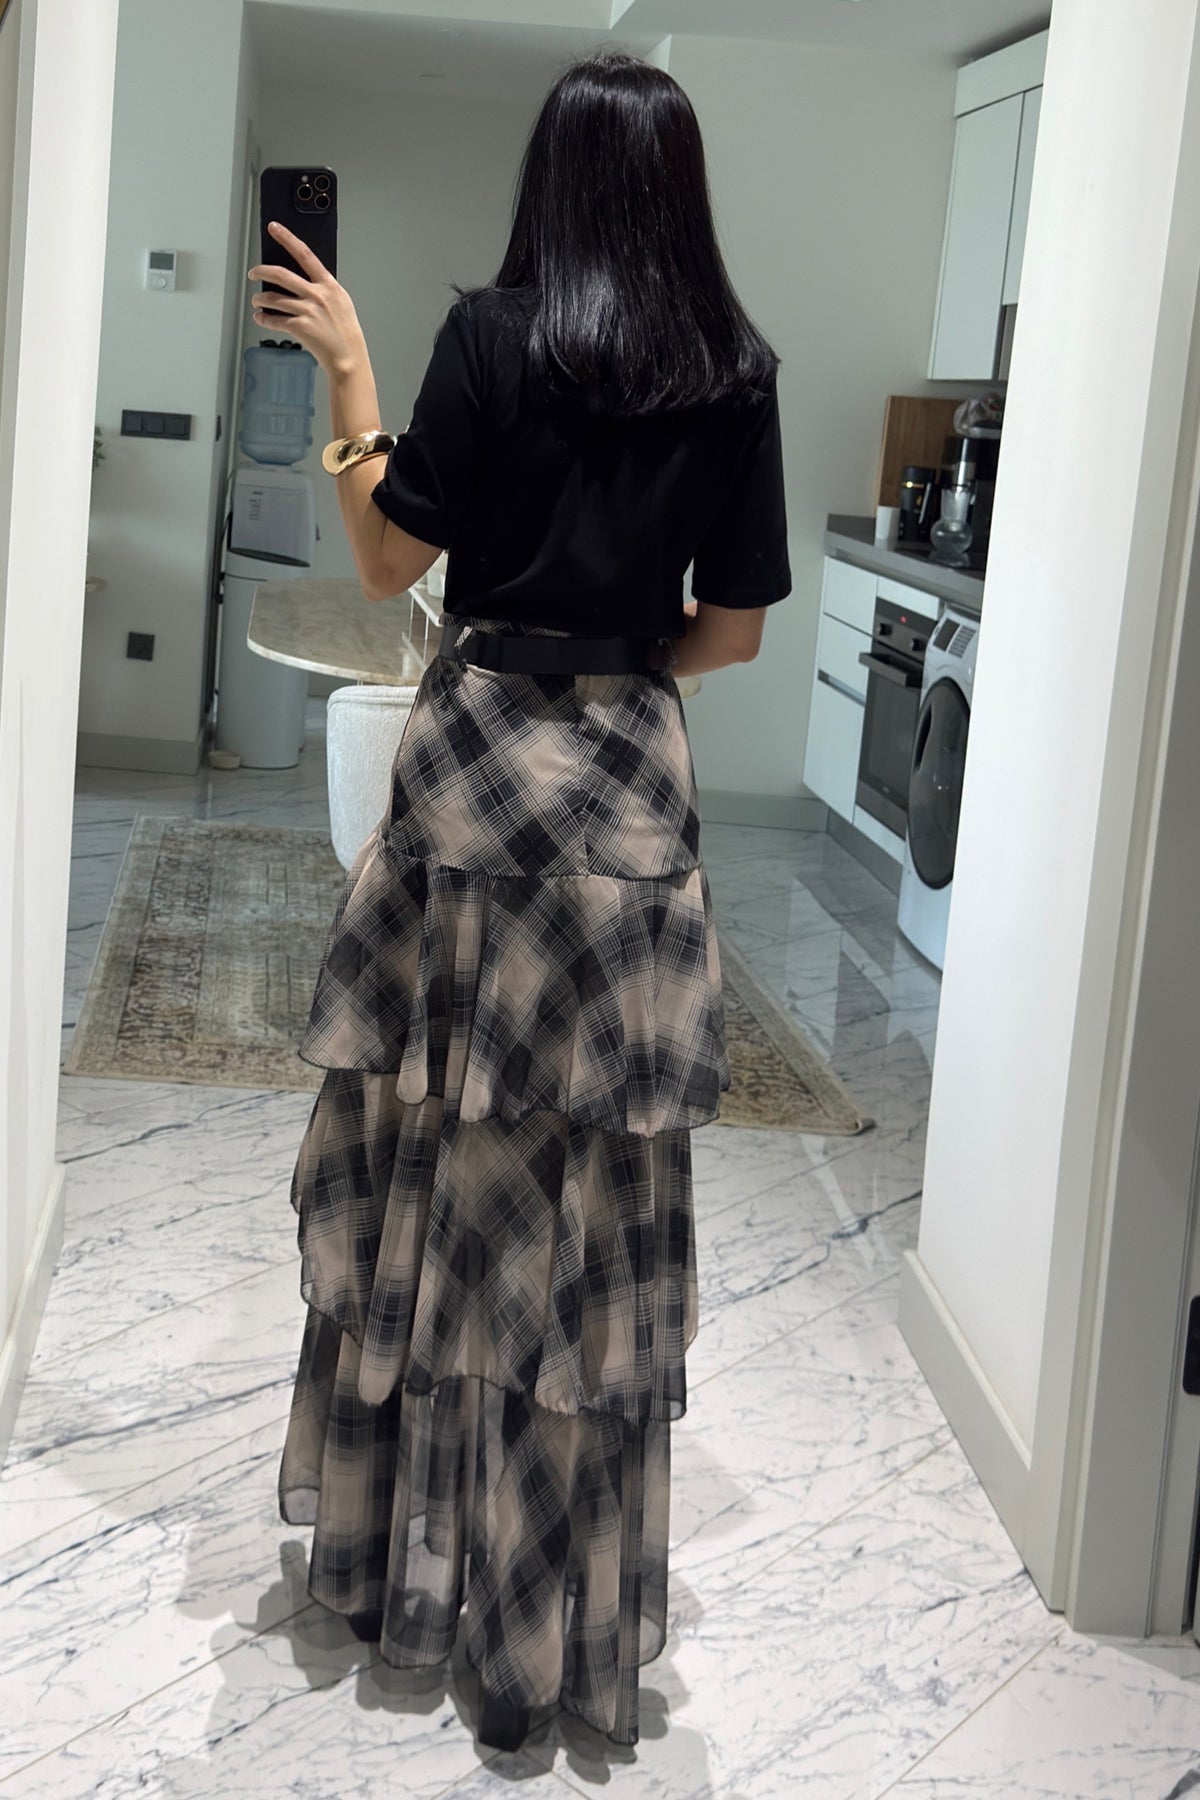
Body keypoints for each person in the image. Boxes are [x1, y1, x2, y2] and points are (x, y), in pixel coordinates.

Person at [247, 46, 791, 1756]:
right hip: (628, 779)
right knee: (590, 1182)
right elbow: (732, 631)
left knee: (433, 1152)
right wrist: (619, 666)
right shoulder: (737, 371)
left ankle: (394, 1556)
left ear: (551, 181)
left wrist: (348, 369)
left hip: (476, 764)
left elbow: (386, 562)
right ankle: (551, 1600)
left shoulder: (489, 338)